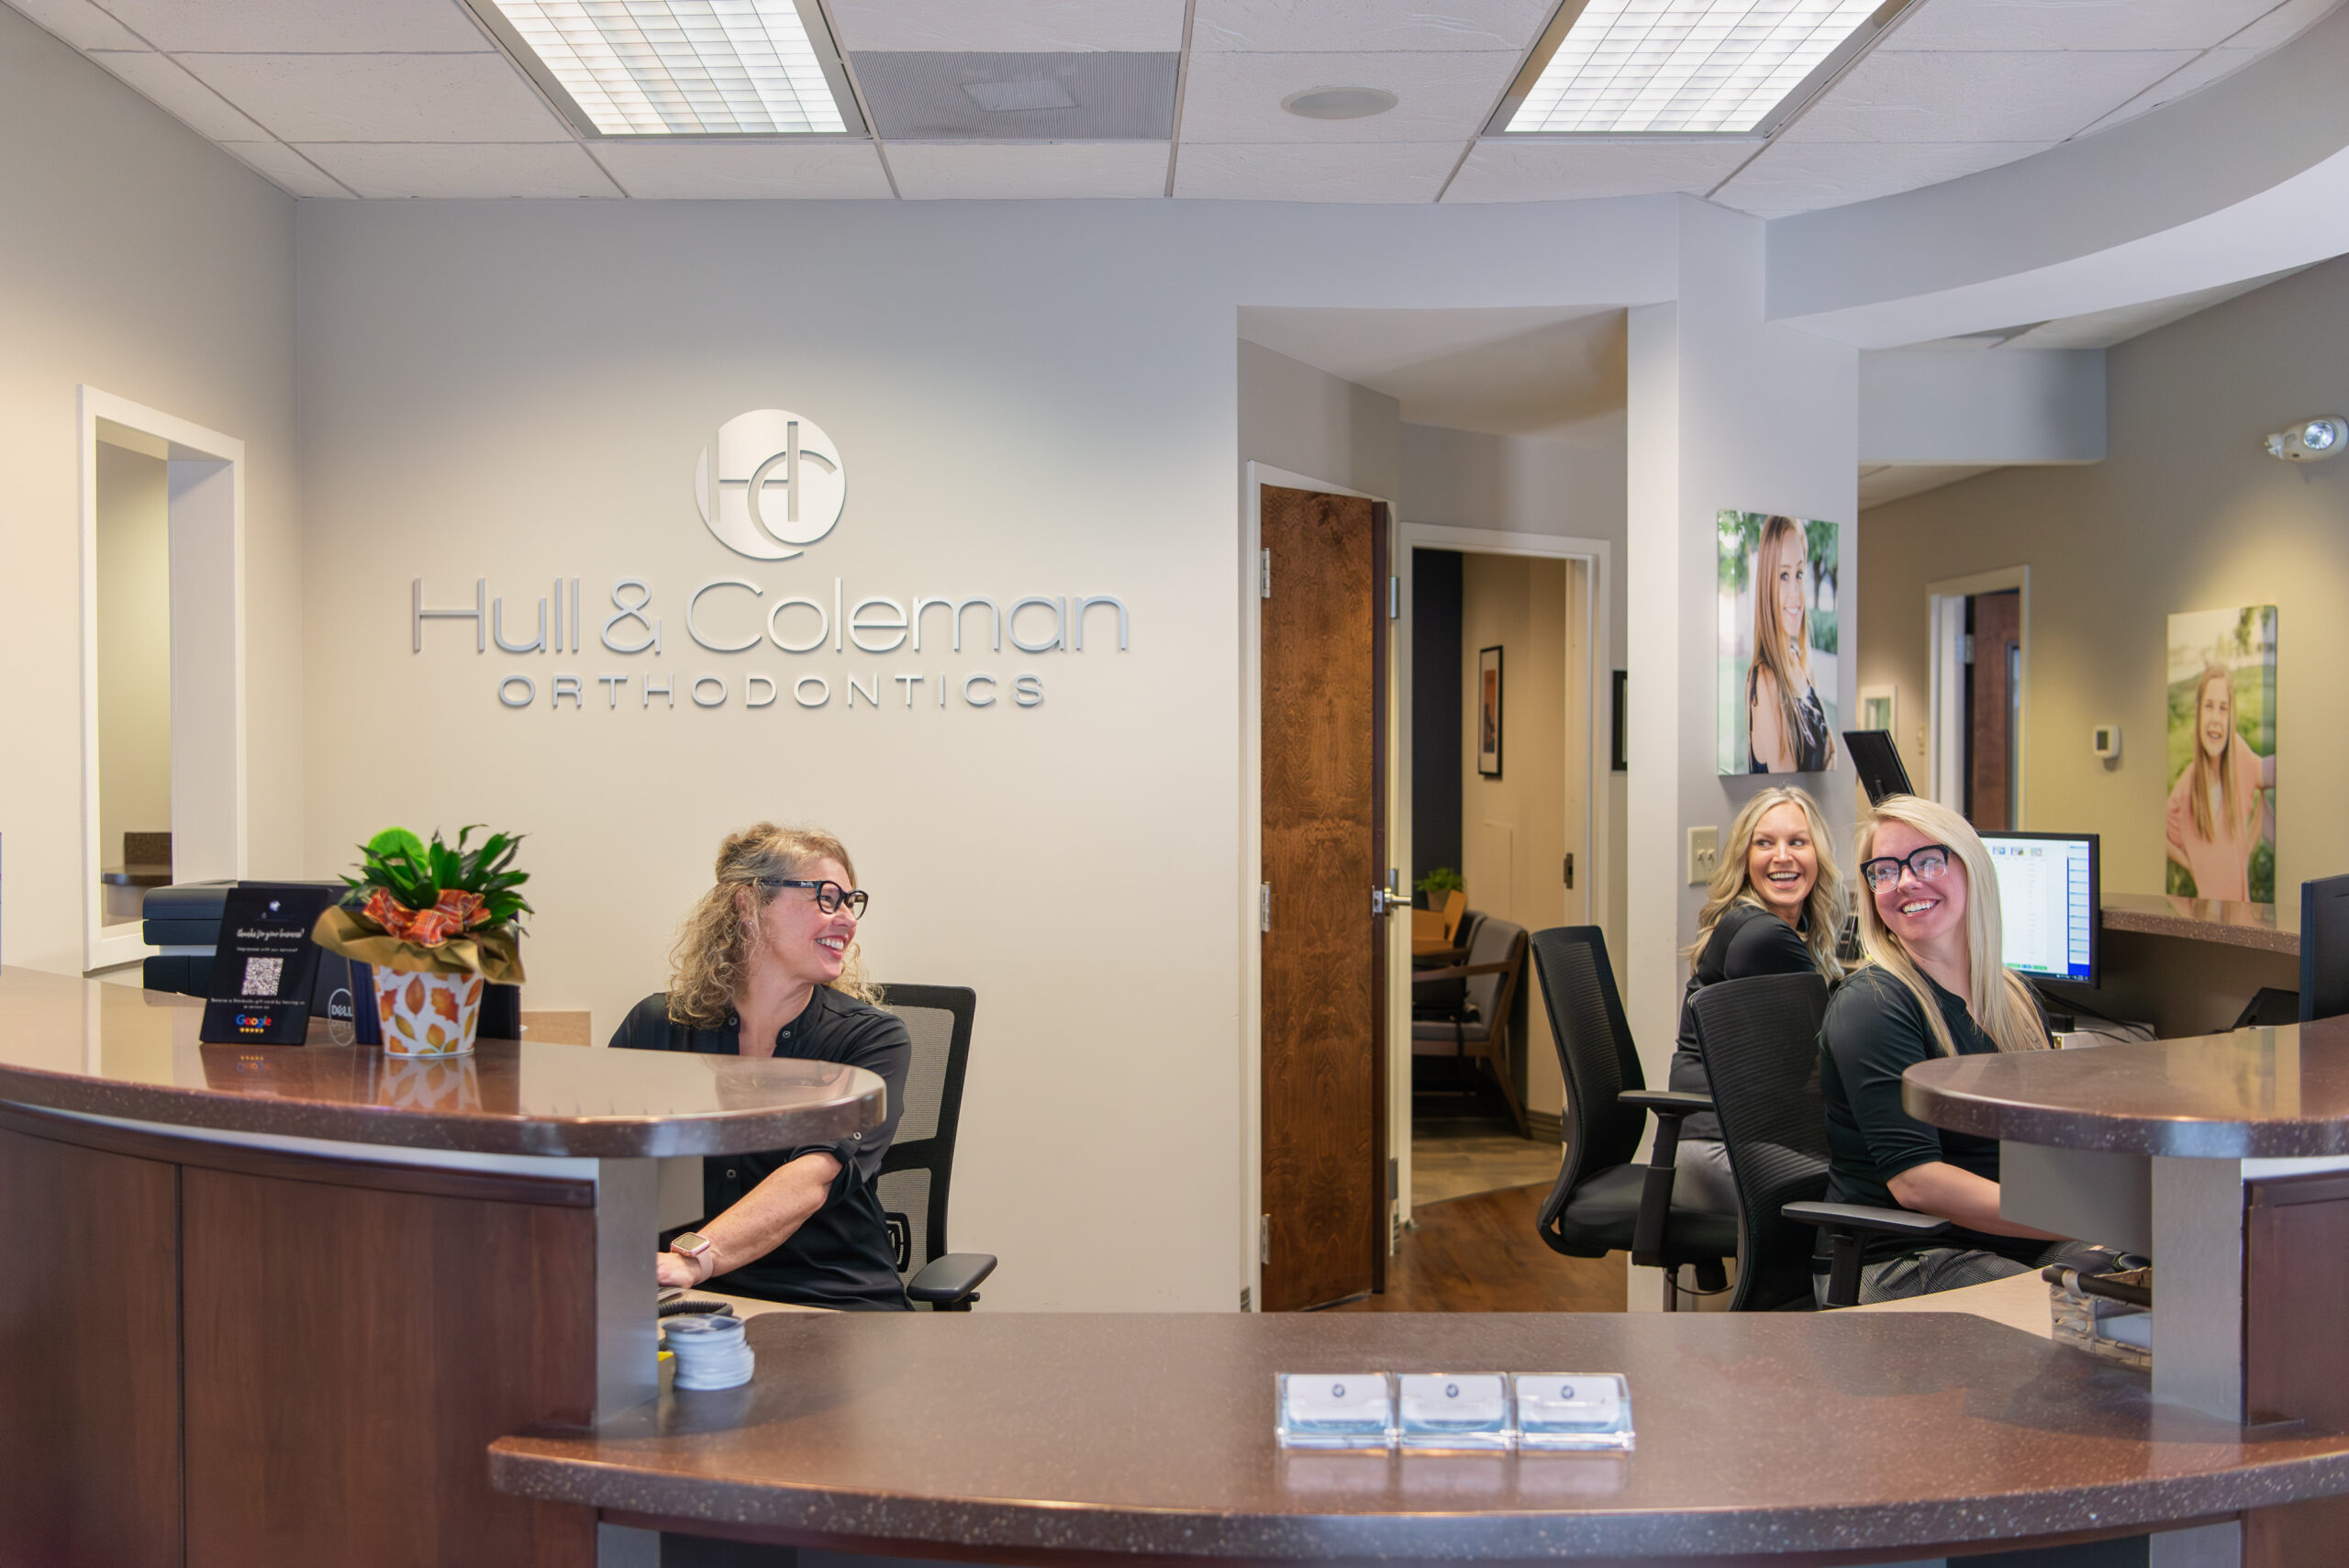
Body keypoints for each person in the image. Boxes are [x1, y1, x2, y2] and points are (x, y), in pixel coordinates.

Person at [611, 823, 912, 1311]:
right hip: (684, 1295)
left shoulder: (871, 1039)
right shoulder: (658, 1026)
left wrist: (696, 1258)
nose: (847, 919)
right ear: (748, 905)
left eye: (850, 902)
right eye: (826, 898)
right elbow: (607, 1164)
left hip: (830, 1298)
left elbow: (812, 1176)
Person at [1817, 795, 2080, 1305]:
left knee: (2149, 1277)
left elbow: (2044, 1138)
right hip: (1901, 1259)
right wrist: (2073, 1216)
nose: (1906, 881)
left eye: (1927, 861)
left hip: (2005, 1242)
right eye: (1885, 870)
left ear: (1972, 868)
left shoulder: (2012, 997)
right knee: (2067, 1314)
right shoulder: (1872, 1006)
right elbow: (1917, 1183)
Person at [1668, 785, 1844, 1216]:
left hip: (1715, 1143)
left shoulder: (1748, 922)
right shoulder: (1764, 937)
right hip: (1724, 1153)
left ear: (1817, 855)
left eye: (1797, 842)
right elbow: (1826, 1056)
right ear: (1745, 859)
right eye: (1764, 843)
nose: (1782, 856)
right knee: (1873, 1186)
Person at [2165, 663, 2275, 903]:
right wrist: (2191, 865)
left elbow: (2270, 773)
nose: (2215, 719)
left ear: (2231, 716)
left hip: (2242, 923)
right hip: (2205, 923)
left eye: (2223, 708)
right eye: (2209, 706)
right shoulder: (2184, 791)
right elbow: (2162, 836)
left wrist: (2249, 844)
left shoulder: (2240, 756)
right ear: (2198, 712)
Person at [1746, 514, 1836, 773]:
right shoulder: (1764, 679)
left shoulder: (1801, 664)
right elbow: (1787, 785)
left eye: (1799, 574)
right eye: (1783, 576)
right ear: (1767, 585)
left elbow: (1834, 759)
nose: (1795, 592)